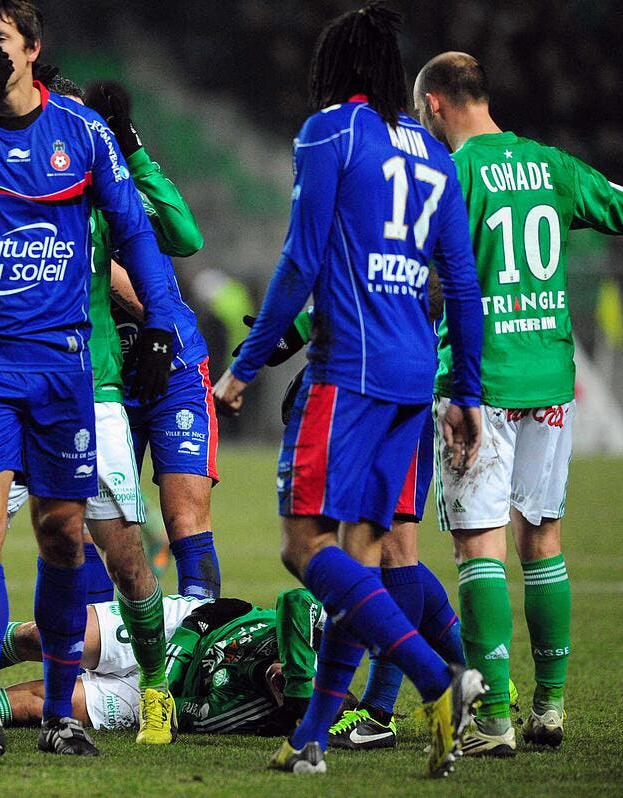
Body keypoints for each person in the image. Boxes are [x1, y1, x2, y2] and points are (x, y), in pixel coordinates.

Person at [213, 2, 487, 777]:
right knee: (359, 566)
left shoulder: (332, 130)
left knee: (305, 547)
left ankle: (437, 678)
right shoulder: (434, 156)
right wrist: (463, 388)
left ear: (336, 67)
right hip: (412, 379)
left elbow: (300, 262)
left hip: (349, 376)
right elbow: (460, 286)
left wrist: (244, 364)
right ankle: (313, 739)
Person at [0, 0, 178, 758]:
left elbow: (134, 230)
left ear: (32, 47)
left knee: (63, 535)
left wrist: (159, 322)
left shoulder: (82, 133)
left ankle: (60, 713)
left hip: (62, 368)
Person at [414, 51, 623, 755]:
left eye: (423, 114)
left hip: (480, 381)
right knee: (544, 538)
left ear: (438, 103)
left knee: (480, 543)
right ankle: (551, 709)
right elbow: (619, 204)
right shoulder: (551, 166)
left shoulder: (451, 175)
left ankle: (495, 718)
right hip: (549, 379)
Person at [236, 306, 468, 751]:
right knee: (364, 551)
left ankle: (385, 709)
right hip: (370, 373)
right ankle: (475, 680)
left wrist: (292, 331)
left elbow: (436, 284)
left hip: (394, 377)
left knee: (382, 547)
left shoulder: (417, 245)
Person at [0, 588, 326, 736]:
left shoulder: (252, 715)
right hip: (175, 627)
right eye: (297, 670)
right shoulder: (303, 635)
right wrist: (301, 685)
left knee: (32, 706)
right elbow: (282, 601)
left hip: (161, 700)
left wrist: (293, 711)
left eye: (285, 690)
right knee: (42, 637)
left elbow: (191, 719)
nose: (281, 678)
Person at [84, 79, 221, 603]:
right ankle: (103, 655)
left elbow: (186, 237)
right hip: (105, 378)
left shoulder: (118, 186)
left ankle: (195, 643)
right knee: (90, 527)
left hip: (176, 368)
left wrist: (134, 147)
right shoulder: (48, 200)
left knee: (185, 517)